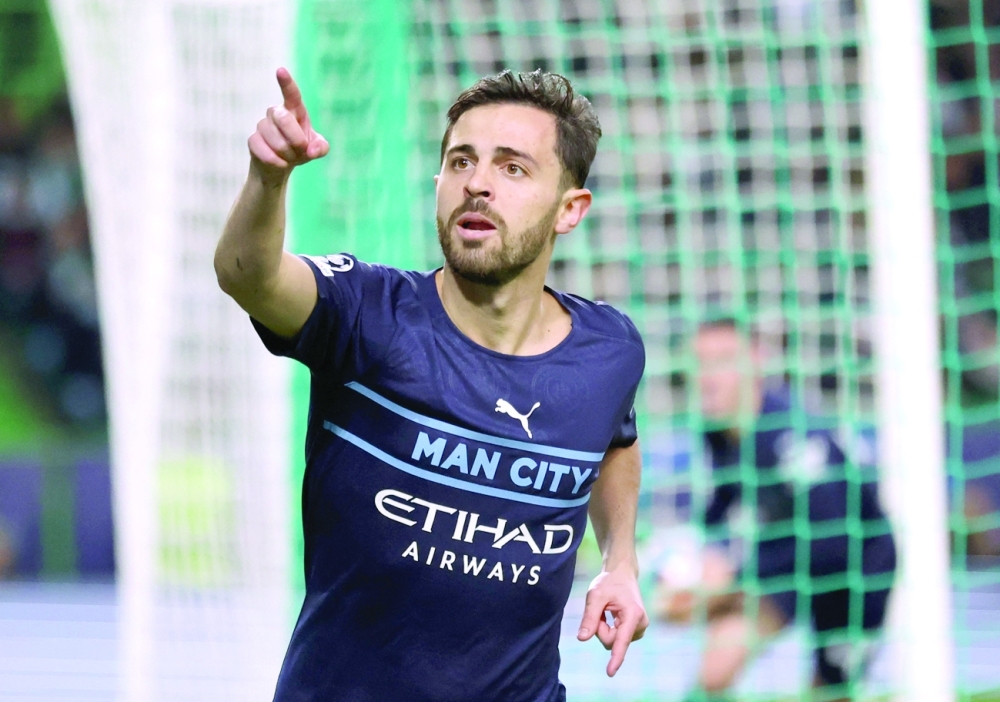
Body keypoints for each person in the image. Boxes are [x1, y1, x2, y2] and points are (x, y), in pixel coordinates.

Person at [215, 67, 648, 701]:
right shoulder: (366, 312)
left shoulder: (609, 351)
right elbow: (246, 276)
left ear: (569, 210)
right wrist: (268, 179)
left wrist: (621, 561)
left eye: (512, 168)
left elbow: (614, 442)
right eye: (461, 161)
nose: (477, 183)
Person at [656, 318, 896, 701]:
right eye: (700, 363)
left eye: (722, 361)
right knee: (714, 672)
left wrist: (731, 577)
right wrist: (698, 561)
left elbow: (833, 540)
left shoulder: (793, 438)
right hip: (784, 560)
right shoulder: (719, 431)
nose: (708, 377)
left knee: (832, 693)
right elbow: (723, 502)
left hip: (855, 569)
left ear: (756, 364)